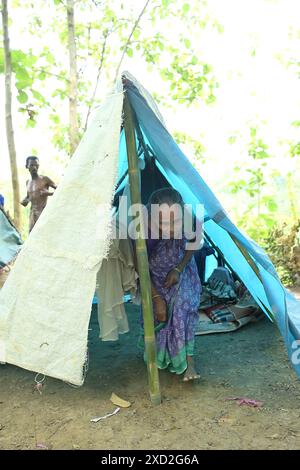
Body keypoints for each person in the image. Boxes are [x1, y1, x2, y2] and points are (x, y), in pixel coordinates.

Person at [142, 187, 202, 382]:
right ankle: (164, 355)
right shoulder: (142, 229)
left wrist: (178, 268)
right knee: (161, 314)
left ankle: (188, 361)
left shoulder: (190, 219)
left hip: (182, 271)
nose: (167, 227)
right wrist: (156, 297)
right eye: (161, 222)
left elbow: (194, 242)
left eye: (173, 221)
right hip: (153, 278)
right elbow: (138, 266)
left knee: (182, 307)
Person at [21, 156, 57, 232]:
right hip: (32, 214)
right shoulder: (28, 182)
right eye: (31, 165)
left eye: (36, 165)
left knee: (44, 235)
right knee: (32, 236)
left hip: (44, 213)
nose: (34, 167)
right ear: (27, 166)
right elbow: (28, 196)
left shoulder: (44, 179)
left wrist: (48, 193)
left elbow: (61, 190)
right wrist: (25, 201)